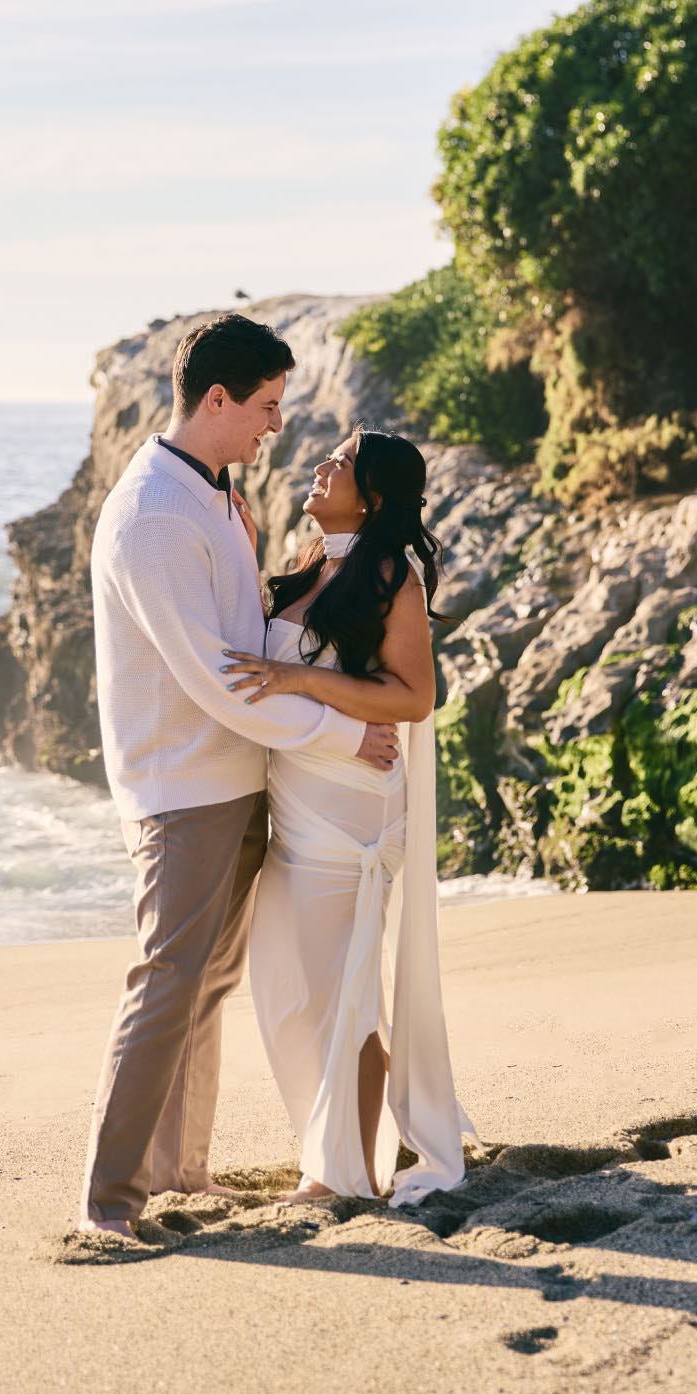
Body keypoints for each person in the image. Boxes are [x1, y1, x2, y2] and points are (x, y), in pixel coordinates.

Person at [79, 317, 401, 1240]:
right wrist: (344, 734)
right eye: (264, 408)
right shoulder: (153, 516)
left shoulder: (214, 495)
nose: (273, 427)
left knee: (205, 983)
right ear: (215, 399)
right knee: (167, 982)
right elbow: (221, 685)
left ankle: (179, 1171)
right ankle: (108, 1204)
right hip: (182, 789)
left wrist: (277, 588)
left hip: (237, 781)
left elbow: (246, 644)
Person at [222, 427, 471, 1207]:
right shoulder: (305, 567)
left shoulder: (393, 577)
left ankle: (345, 1170)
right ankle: (331, 1145)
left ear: (373, 494)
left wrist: (298, 682)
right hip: (297, 805)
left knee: (347, 991)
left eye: (343, 460)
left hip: (354, 808)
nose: (324, 463)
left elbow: (414, 699)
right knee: (287, 981)